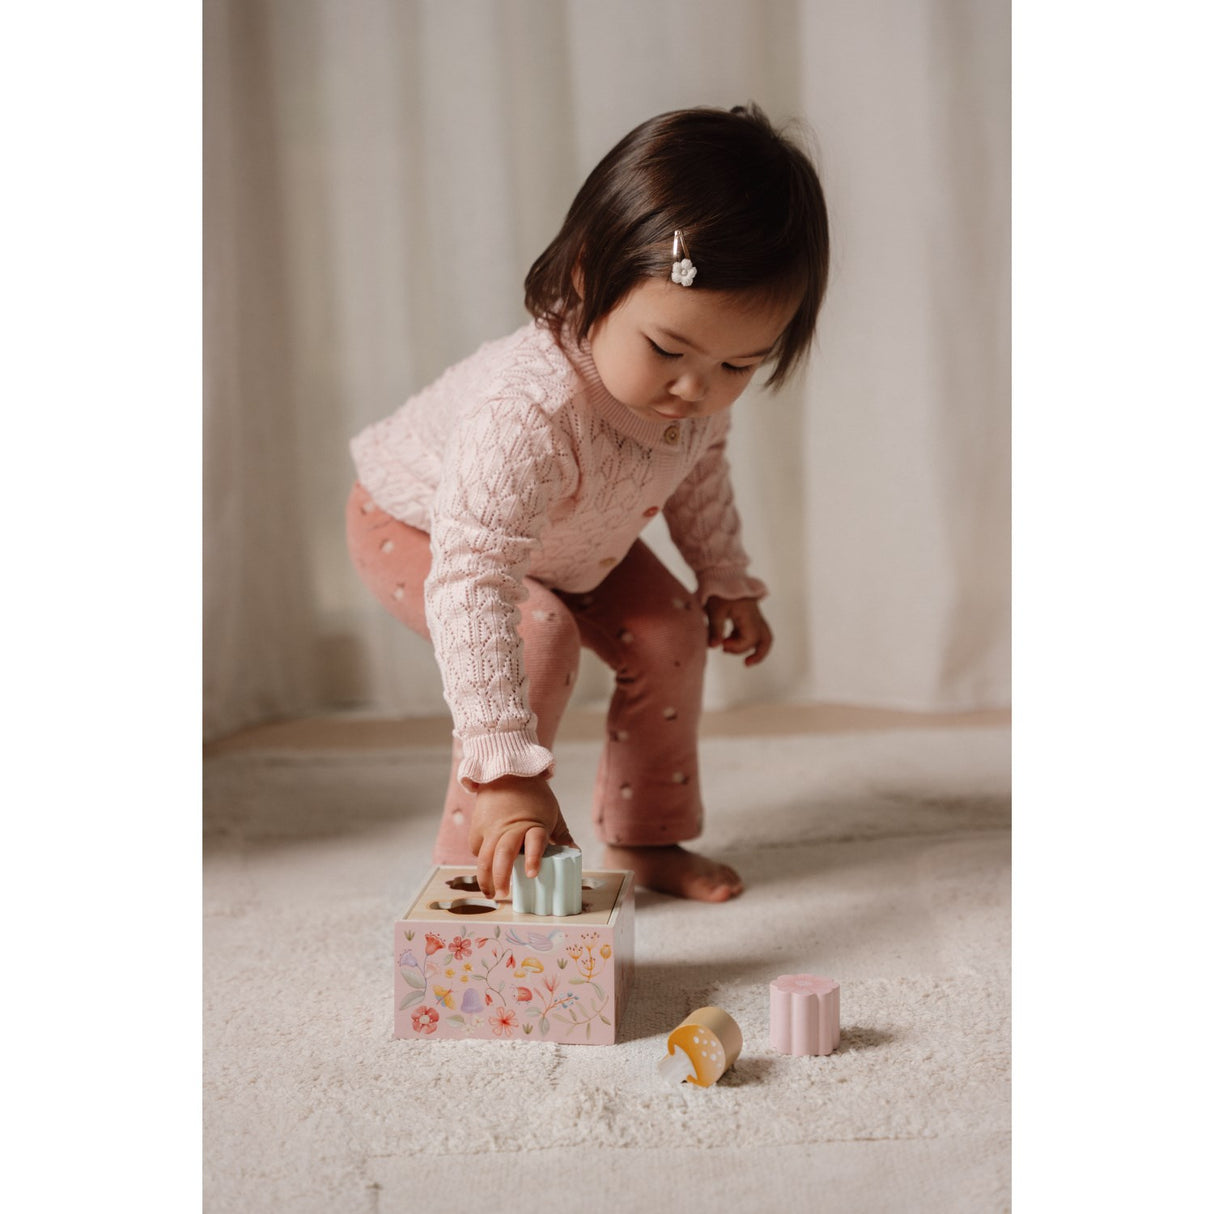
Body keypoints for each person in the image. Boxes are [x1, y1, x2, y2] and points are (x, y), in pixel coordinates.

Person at [346, 103, 829, 903]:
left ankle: (647, 838)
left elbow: (699, 474)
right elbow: (474, 582)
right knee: (538, 633)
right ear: (585, 279)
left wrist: (724, 572)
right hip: (421, 523)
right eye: (667, 350)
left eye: (739, 364)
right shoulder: (526, 413)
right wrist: (505, 764)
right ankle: (476, 854)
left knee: (669, 628)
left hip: (567, 536)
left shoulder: (697, 397)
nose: (695, 389)